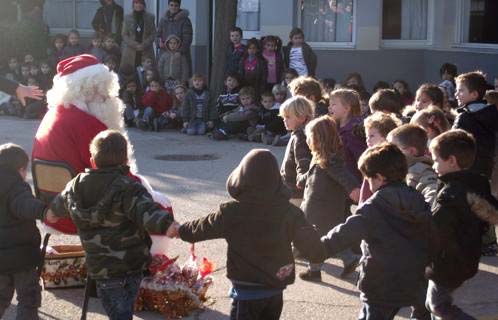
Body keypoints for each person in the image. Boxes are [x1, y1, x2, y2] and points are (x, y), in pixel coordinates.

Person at [169, 149, 326, 320]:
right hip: (275, 288)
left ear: (241, 179)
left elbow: (201, 227)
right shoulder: (290, 213)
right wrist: (318, 241)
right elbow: (312, 247)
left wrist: (180, 230)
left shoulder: (231, 212)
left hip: (246, 289)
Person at [32, 54, 172, 234]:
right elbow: (115, 173)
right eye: (102, 89)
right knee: (158, 207)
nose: (107, 96)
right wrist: (149, 192)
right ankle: (151, 260)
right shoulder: (86, 123)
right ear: (85, 90)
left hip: (52, 209)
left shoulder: (54, 114)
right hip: (82, 213)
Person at [51, 130, 177, 320]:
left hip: (101, 269)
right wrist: (169, 225)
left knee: (117, 312)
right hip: (131, 265)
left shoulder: (75, 186)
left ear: (93, 160)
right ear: (125, 160)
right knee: (124, 311)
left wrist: (47, 213)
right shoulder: (129, 188)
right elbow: (148, 212)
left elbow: (54, 211)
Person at [322, 143, 432, 320]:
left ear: (380, 177)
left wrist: (315, 248)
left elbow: (345, 233)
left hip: (381, 283)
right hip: (415, 278)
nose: (367, 183)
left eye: (368, 178)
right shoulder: (418, 199)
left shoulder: (375, 206)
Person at [426, 129, 498, 319]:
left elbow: (438, 228)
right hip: (467, 255)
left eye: (435, 160)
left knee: (438, 305)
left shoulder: (450, 194)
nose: (433, 164)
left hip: (447, 261)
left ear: (451, 161)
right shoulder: (477, 184)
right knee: (432, 303)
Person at [298, 116, 360, 282]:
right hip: (321, 207)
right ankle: (348, 258)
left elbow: (345, 176)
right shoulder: (320, 157)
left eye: (309, 137)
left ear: (318, 139)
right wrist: (301, 179)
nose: (307, 140)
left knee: (315, 240)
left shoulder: (331, 161)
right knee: (326, 238)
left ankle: (315, 270)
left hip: (321, 209)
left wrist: (355, 189)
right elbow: (312, 173)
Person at [0, 143, 58, 320]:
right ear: (21, 169)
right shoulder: (16, 186)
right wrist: (44, 211)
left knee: (1, 298)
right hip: (22, 258)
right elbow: (24, 203)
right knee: (28, 299)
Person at [453, 71, 498, 179]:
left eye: (460, 90)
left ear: (474, 94)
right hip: (487, 171)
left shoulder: (464, 117)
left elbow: (451, 143)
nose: (456, 94)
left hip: (465, 170)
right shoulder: (493, 114)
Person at [387, 124, 438, 206]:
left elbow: (432, 192)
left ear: (411, 151)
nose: (389, 153)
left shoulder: (422, 170)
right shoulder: (404, 170)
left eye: (393, 149)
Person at [359, 112, 401, 204]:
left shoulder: (392, 159)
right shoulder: (370, 158)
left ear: (386, 136)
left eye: (372, 136)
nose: (367, 140)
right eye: (366, 136)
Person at [280, 96, 314, 207]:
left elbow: (303, 161)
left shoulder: (300, 138)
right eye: (284, 117)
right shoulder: (297, 134)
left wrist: (301, 179)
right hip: (290, 189)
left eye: (288, 117)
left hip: (295, 192)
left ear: (302, 117)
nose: (284, 120)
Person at [329, 88, 367, 180]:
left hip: (354, 183)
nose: (329, 108)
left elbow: (363, 162)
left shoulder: (353, 131)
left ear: (347, 108)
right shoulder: (336, 128)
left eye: (333, 104)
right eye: (329, 104)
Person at [157, 0, 193, 76]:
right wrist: (158, 42)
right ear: (168, 6)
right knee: (164, 75)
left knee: (180, 75)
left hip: (180, 54)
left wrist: (180, 50)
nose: (173, 7)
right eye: (171, 5)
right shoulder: (163, 20)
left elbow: (188, 37)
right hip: (165, 52)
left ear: (179, 6)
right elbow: (157, 34)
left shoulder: (185, 20)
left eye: (176, 5)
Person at [121, 0, 156, 70]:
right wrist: (134, 44)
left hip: (146, 49)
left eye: (141, 3)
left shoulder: (151, 17)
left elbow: (153, 33)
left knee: (147, 71)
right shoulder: (127, 17)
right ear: (133, 5)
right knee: (130, 71)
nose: (138, 5)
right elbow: (124, 34)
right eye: (136, 3)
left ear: (144, 5)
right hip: (131, 50)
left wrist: (144, 44)